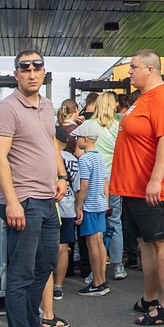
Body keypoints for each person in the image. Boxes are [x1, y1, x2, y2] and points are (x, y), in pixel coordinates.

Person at [0, 50, 66, 327]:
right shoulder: (6, 109)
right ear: (16, 73)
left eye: (37, 67)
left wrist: (61, 175)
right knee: (21, 272)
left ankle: (32, 324)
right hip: (23, 200)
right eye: (25, 67)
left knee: (45, 265)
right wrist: (12, 202)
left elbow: (51, 143)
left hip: (48, 199)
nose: (32, 72)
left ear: (44, 71)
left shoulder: (47, 105)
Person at [110, 50, 164, 326]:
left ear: (150, 70)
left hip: (157, 188)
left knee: (162, 242)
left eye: (133, 67)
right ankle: (150, 298)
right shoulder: (144, 98)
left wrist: (155, 180)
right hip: (135, 188)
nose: (129, 72)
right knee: (146, 243)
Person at [40, 125, 78, 327]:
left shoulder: (46, 155)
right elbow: (80, 184)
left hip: (51, 206)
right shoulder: (71, 159)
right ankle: (59, 286)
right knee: (61, 249)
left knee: (45, 254)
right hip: (67, 206)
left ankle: (45, 301)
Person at [71, 120, 111, 297]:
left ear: (85, 139)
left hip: (89, 205)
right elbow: (104, 181)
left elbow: (84, 185)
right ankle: (102, 279)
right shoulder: (99, 157)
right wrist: (106, 201)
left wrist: (78, 206)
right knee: (99, 241)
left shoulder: (84, 159)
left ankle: (96, 281)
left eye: (78, 137)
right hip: (100, 203)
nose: (76, 140)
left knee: (91, 243)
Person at [90, 92, 127, 282]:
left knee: (95, 222)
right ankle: (118, 264)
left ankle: (95, 268)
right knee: (115, 220)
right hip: (115, 177)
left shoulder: (89, 125)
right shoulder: (119, 125)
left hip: (95, 178)